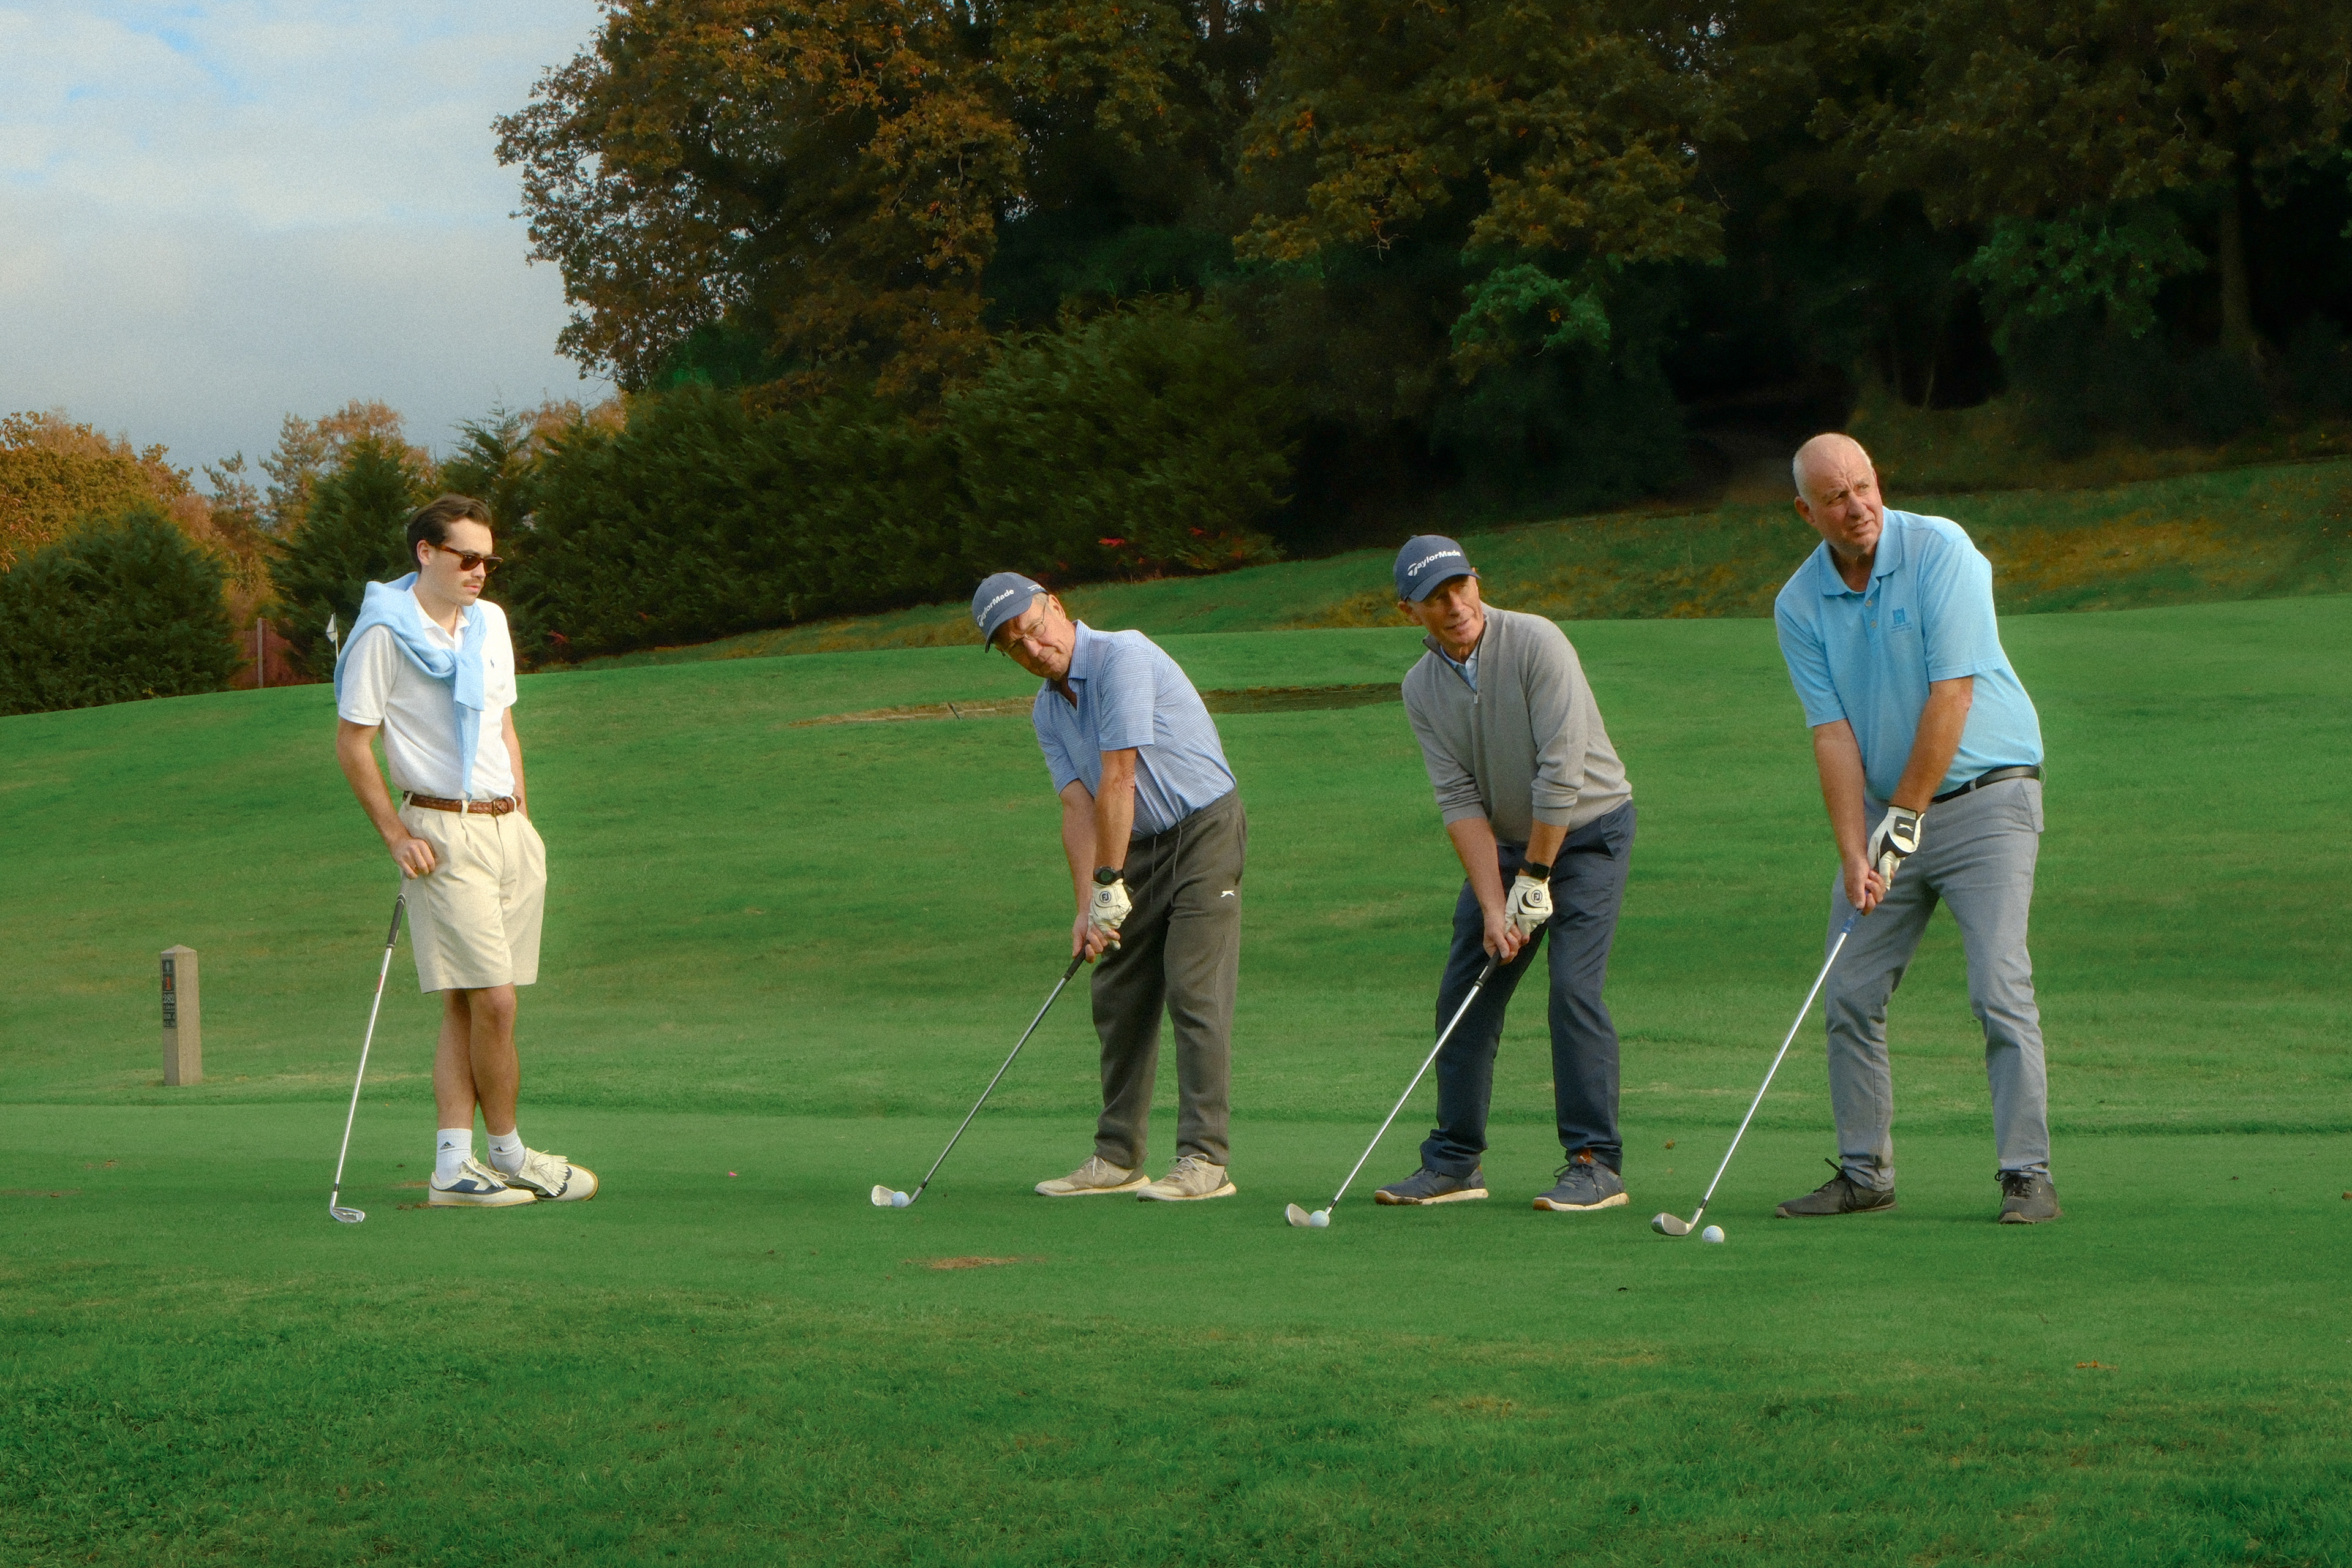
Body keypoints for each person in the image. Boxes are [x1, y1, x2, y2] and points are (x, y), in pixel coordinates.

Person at [1771, 433, 2057, 1224]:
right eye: (1835, 498)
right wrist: (1853, 850)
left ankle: (2026, 1174)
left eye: (1863, 487)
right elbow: (1832, 733)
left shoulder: (1941, 551)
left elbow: (1953, 694)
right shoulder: (1799, 604)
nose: (1856, 507)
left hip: (1988, 799)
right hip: (1886, 815)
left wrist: (1904, 816)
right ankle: (1866, 1173)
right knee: (1850, 992)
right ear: (1806, 512)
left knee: (1998, 986)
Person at [333, 494, 595, 1209]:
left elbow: (502, 724)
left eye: (489, 560)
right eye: (468, 557)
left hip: (507, 828)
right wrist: (397, 835)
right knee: (495, 1001)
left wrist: (522, 817)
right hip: (441, 832)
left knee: (469, 1000)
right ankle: (508, 1152)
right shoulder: (383, 634)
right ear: (427, 552)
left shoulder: (490, 623)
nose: (481, 571)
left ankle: (453, 1163)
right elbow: (354, 743)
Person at [1374, 535, 1638, 1213]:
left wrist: (1536, 876)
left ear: (1476, 581)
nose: (1455, 605)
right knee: (1465, 994)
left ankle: (1595, 1163)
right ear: (1410, 611)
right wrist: (1497, 907)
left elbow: (1562, 770)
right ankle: (1454, 1161)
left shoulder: (1537, 642)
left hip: (1590, 833)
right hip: (1508, 848)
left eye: (1460, 587)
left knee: (1573, 989)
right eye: (1435, 598)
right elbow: (1460, 800)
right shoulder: (1420, 688)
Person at [971, 573, 1246, 1202]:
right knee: (1118, 993)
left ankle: (1205, 1159)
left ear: (1056, 606)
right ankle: (1118, 1157)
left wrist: (1107, 883)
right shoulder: (1047, 711)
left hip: (1203, 830)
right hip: (1131, 845)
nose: (1034, 649)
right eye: (1015, 646)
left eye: (1034, 629)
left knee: (1193, 988)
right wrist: (1086, 910)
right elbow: (1078, 808)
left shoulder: (1123, 656)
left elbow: (1119, 778)